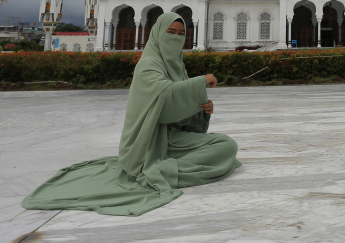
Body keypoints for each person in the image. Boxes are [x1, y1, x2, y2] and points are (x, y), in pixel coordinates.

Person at [22, 12, 240, 216]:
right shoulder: (148, 65)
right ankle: (158, 171)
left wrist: (201, 108)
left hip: (172, 137)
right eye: (170, 33)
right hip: (149, 142)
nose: (176, 38)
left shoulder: (178, 67)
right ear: (157, 35)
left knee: (226, 144)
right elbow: (164, 101)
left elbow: (178, 109)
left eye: (181, 34)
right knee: (224, 149)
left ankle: (166, 167)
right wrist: (199, 84)